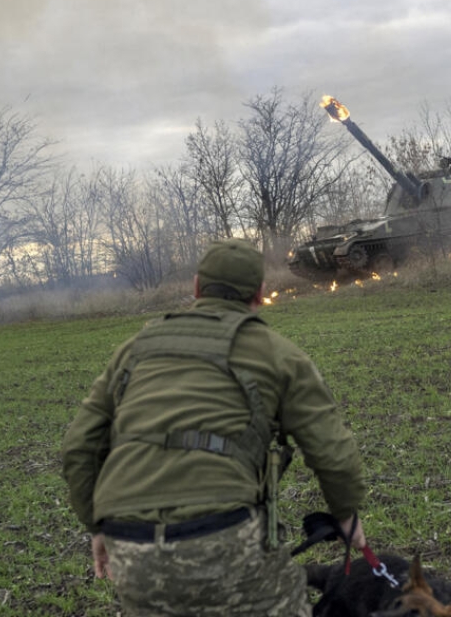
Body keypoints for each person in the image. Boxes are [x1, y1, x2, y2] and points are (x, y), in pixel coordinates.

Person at [61, 238, 367, 617]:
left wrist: (97, 526)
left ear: (195, 288)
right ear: (259, 294)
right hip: (223, 537)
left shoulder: (135, 348)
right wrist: (347, 516)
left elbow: (78, 446)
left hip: (130, 545)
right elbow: (332, 451)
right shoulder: (279, 353)